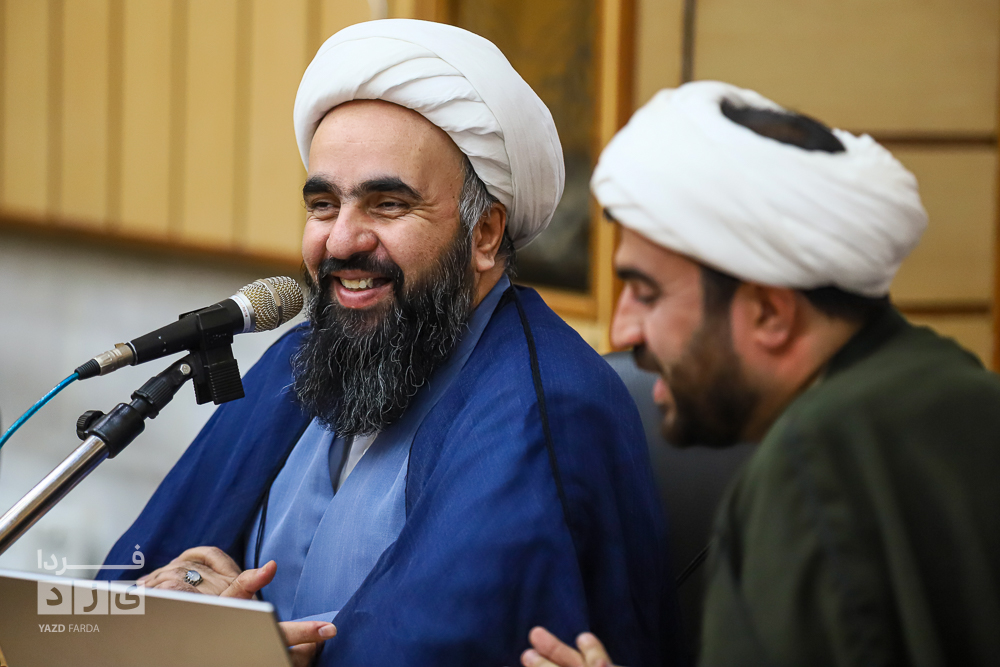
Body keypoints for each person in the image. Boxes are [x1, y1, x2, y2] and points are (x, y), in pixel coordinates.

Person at [96, 19, 681, 667]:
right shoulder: (301, 359)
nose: (342, 240)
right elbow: (120, 598)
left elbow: (441, 650)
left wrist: (237, 651)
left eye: (387, 205)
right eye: (323, 204)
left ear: (485, 234)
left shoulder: (547, 410)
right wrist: (171, 602)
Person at [522, 81, 1000, 667]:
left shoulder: (807, 467)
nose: (623, 332)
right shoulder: (966, 389)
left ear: (770, 313)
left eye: (646, 294)